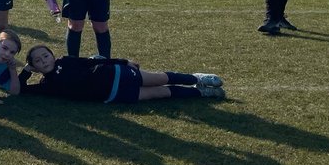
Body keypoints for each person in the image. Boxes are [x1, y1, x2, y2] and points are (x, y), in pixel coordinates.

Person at [20, 46, 225, 102]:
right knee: (160, 93)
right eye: (37, 61)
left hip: (117, 74)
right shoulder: (47, 86)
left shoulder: (65, 61)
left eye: (45, 56)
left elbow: (92, 61)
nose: (43, 61)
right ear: (35, 68)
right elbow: (21, 90)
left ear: (53, 56)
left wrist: (124, 61)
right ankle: (202, 94)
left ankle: (197, 79)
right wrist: (26, 71)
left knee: (159, 78)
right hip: (113, 95)